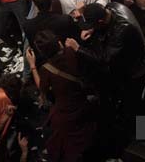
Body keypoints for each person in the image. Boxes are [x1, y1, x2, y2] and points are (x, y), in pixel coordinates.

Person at [66, 2, 145, 146]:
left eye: (94, 25)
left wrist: (78, 48)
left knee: (130, 101)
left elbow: (105, 59)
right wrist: (93, 30)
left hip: (137, 66)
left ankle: (127, 134)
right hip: (126, 55)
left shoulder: (122, 29)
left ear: (100, 21)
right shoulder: (111, 7)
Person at [26, 30, 96, 161]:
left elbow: (42, 87)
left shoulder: (46, 69)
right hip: (81, 100)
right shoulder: (71, 52)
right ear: (58, 42)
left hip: (64, 109)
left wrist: (32, 66)